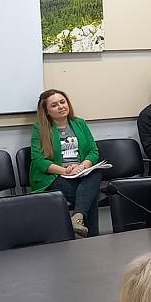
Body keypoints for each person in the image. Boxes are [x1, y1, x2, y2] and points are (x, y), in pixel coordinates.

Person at [29, 88, 103, 237]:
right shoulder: (39, 128)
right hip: (53, 176)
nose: (61, 106)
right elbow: (38, 159)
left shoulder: (79, 123)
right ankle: (91, 236)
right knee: (90, 197)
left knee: (96, 174)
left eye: (62, 102)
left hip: (80, 172)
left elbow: (93, 151)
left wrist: (82, 166)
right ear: (47, 111)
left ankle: (77, 218)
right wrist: (65, 171)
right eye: (54, 105)